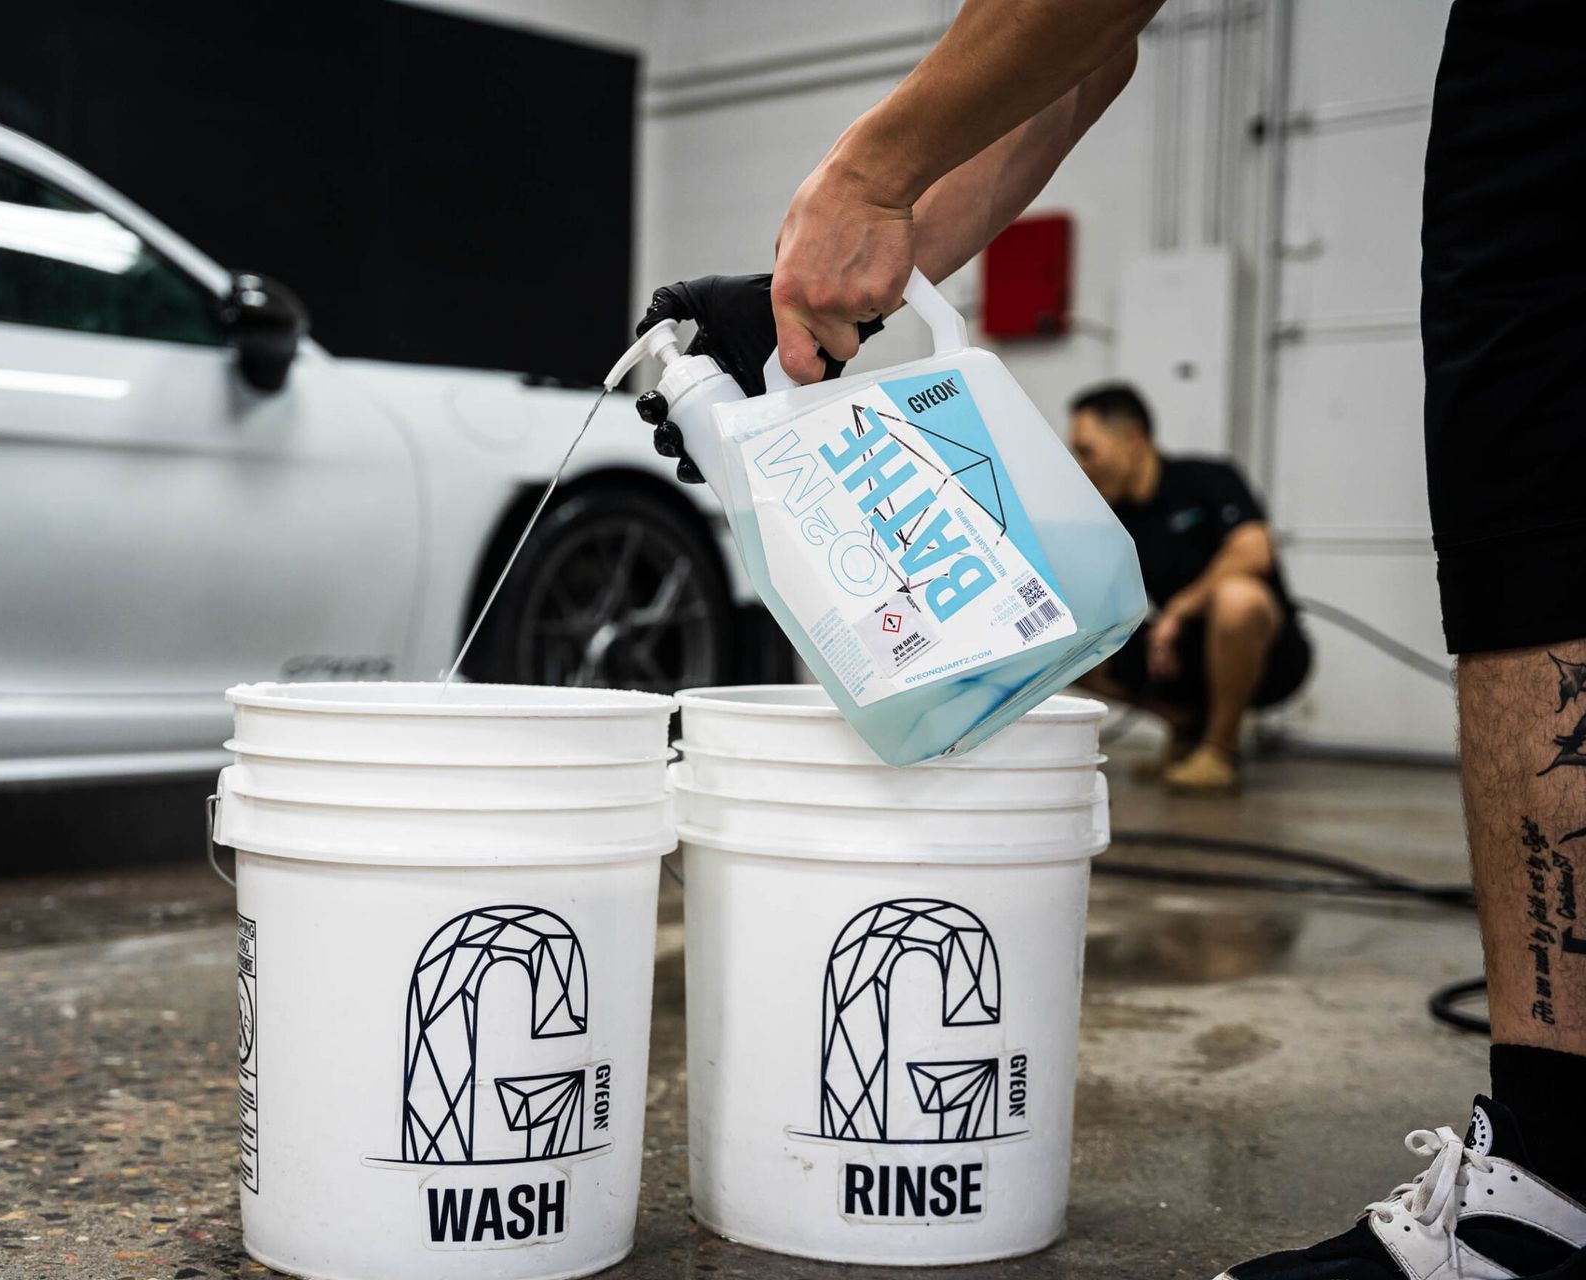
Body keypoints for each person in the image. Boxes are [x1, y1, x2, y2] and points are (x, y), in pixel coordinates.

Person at [636, 1, 1586, 1275]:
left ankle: (1550, 1183)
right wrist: (850, 270)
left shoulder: (1196, 475)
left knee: (1537, 491)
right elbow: (1089, 54)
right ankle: (1563, 1167)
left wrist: (872, 173)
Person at [1067, 382, 1311, 791]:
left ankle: (1220, 750)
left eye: (1087, 450)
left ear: (1133, 438)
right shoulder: (1112, 519)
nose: (1082, 464)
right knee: (1067, 638)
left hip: (1268, 656)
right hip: (1181, 659)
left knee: (1238, 598)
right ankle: (1187, 730)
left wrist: (1179, 609)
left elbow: (1254, 552)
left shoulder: (1207, 479)